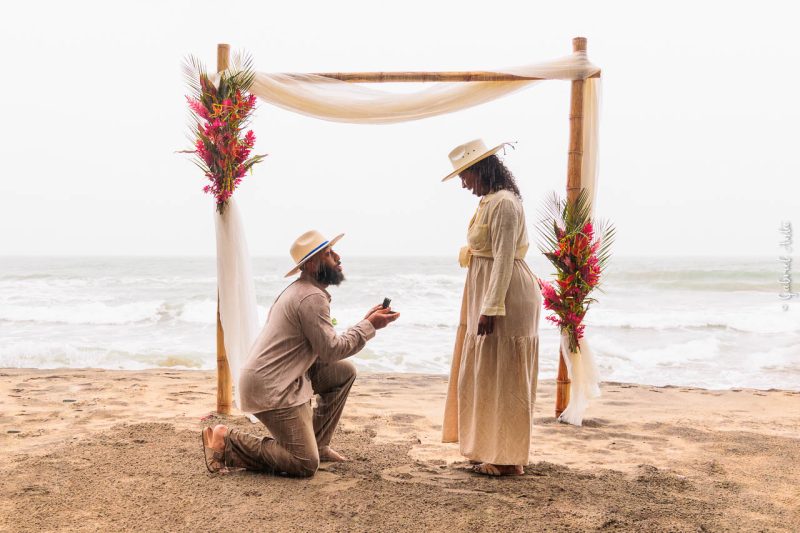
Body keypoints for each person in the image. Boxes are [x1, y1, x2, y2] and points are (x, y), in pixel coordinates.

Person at [202, 230, 400, 477]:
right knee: (304, 463)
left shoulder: (304, 290)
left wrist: (366, 321)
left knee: (343, 373)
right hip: (271, 386)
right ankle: (228, 441)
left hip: (280, 375)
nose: (338, 258)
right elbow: (331, 350)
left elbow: (324, 347)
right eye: (329, 254)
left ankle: (318, 443)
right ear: (312, 264)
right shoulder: (311, 297)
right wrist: (370, 326)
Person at [441, 139, 542, 477]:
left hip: (506, 296)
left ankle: (508, 458)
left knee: (506, 376)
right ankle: (490, 447)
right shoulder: (488, 202)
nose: (463, 182)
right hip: (486, 292)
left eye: (465, 175)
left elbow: (502, 258)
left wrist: (491, 307)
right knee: (487, 373)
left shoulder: (504, 204)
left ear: (480, 169)